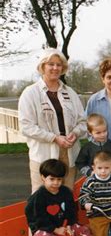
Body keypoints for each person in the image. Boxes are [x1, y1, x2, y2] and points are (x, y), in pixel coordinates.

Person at [19, 48, 87, 192]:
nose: (55, 68)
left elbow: (83, 122)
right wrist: (54, 138)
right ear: (42, 66)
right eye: (51, 64)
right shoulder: (30, 93)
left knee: (66, 196)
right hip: (43, 156)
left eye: (59, 64)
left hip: (68, 155)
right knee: (41, 198)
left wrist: (75, 133)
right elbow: (26, 126)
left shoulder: (70, 93)